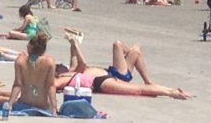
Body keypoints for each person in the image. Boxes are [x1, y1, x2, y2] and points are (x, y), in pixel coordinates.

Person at [54, 35, 192, 99]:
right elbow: (82, 63)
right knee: (139, 90)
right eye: (57, 66)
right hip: (101, 81)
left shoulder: (70, 70)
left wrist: (72, 41)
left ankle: (172, 90)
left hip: (108, 76)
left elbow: (74, 58)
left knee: (136, 55)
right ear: (55, 72)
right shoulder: (64, 76)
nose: (60, 65)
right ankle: (171, 92)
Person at [7, 32, 58, 114]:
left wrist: (9, 105)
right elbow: (50, 86)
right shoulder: (49, 62)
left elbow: (17, 85)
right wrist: (54, 108)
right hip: (42, 107)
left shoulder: (21, 61)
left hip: (24, 105)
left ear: (29, 47)